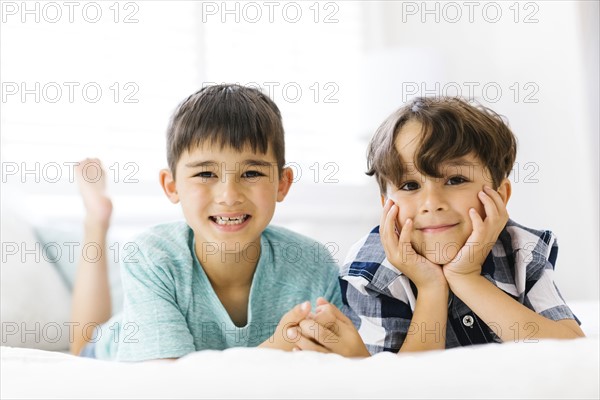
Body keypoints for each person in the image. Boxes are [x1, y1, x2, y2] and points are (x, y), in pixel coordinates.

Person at [288, 96, 585, 356]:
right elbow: (398, 385)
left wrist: (466, 278)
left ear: (500, 195)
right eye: (410, 185)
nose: (432, 202)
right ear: (386, 206)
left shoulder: (521, 250)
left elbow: (571, 351)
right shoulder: (372, 271)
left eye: (455, 180)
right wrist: (431, 287)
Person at [70, 84, 343, 361]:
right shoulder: (151, 254)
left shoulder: (314, 264)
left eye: (250, 173)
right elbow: (169, 383)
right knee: (81, 347)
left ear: (282, 184)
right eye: (205, 173)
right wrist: (272, 352)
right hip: (111, 348)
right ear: (172, 186)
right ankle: (96, 221)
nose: (229, 196)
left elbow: (343, 365)